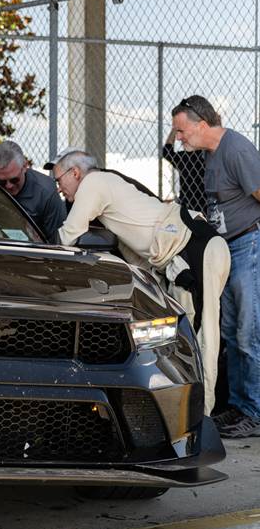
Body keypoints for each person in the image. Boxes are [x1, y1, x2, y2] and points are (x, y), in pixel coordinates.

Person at [51, 150, 230, 416]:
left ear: (75, 173)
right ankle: (190, 413)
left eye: (59, 181)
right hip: (183, 254)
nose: (59, 189)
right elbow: (139, 254)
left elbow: (68, 235)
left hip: (193, 247)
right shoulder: (111, 193)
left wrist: (43, 254)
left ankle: (201, 417)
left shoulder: (94, 183)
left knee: (202, 335)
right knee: (185, 335)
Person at [173, 94, 260, 438]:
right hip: (227, 248)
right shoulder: (212, 154)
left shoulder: (237, 149)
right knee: (230, 331)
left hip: (247, 244)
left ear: (202, 124)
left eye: (181, 130)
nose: (179, 137)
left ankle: (253, 411)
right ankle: (238, 406)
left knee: (247, 332)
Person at [0, 141, 66, 241]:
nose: (9, 186)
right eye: (2, 182)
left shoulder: (46, 192)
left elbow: (57, 242)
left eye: (14, 180)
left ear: (25, 166)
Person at [163, 126, 209, 214]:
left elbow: (166, 151)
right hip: (203, 203)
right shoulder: (205, 155)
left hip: (189, 204)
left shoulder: (184, 157)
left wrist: (174, 128)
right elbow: (166, 152)